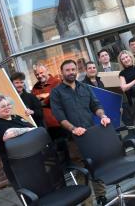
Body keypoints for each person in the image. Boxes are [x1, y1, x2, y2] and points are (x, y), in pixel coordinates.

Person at [51, 59, 111, 206]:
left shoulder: (85, 87)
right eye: (68, 70)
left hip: (91, 134)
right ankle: (87, 202)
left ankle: (102, 196)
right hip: (73, 139)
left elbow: (95, 105)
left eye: (73, 69)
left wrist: (102, 116)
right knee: (81, 171)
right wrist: (73, 128)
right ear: (62, 73)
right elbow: (60, 117)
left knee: (96, 165)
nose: (71, 72)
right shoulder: (56, 92)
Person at [0, 95, 36, 190]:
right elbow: (8, 134)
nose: (7, 107)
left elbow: (33, 128)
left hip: (32, 161)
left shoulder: (16, 117)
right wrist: (27, 129)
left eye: (8, 104)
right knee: (29, 195)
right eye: (3, 106)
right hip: (16, 167)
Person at [31, 63, 62, 134]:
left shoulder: (57, 82)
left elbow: (55, 99)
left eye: (41, 73)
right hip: (43, 127)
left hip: (59, 124)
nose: (39, 76)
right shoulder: (35, 88)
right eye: (37, 74)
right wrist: (40, 96)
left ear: (47, 71)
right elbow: (32, 103)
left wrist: (42, 101)